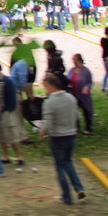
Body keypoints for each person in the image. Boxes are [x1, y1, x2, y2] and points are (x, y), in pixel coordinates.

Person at [39, 73, 86, 205]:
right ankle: (79, 188)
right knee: (68, 161)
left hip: (57, 138)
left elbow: (48, 123)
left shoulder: (49, 103)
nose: (45, 89)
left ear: (51, 85)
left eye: (46, 86)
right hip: (71, 135)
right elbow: (77, 116)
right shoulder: (71, 98)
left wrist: (42, 133)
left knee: (60, 166)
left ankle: (66, 197)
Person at [0, 61, 25, 165]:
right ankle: (5, 156)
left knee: (11, 135)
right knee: (1, 136)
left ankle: (19, 156)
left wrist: (7, 110)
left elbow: (12, 98)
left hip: (6, 112)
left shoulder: (7, 81)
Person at [67, 54, 93, 134]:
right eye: (73, 60)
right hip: (73, 94)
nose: (74, 62)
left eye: (75, 60)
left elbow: (89, 82)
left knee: (86, 111)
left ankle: (88, 128)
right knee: (74, 111)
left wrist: (86, 87)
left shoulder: (86, 71)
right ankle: (76, 127)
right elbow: (68, 79)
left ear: (79, 60)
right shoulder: (71, 70)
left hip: (83, 95)